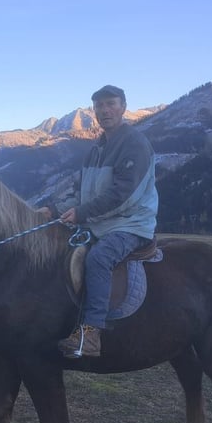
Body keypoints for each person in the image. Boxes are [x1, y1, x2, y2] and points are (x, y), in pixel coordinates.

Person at [38, 85, 159, 358]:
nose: (104, 110)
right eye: (99, 106)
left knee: (99, 259)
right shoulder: (95, 150)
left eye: (110, 104)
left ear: (123, 106)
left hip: (130, 223)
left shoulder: (135, 144)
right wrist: (52, 210)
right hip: (98, 223)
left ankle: (91, 333)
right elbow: (80, 195)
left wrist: (82, 214)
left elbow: (123, 195)